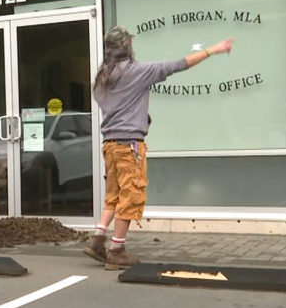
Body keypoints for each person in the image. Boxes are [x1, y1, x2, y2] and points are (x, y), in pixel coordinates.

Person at [85, 26, 233, 270]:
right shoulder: (138, 72)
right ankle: (116, 250)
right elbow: (178, 65)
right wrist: (212, 50)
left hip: (110, 145)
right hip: (128, 144)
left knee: (114, 194)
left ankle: (97, 239)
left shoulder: (102, 78)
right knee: (130, 196)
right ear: (127, 47)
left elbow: (120, 107)